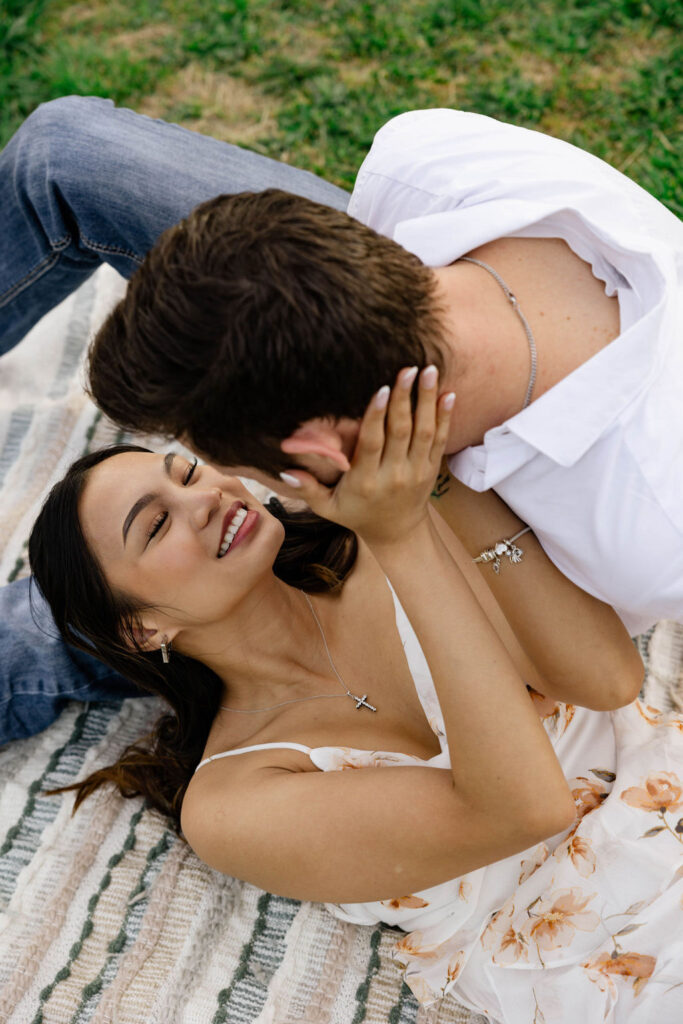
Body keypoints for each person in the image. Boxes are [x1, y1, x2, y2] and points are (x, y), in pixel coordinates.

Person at [1, 97, 681, 741]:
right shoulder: (420, 162)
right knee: (70, 152)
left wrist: (417, 506)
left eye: (197, 460)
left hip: (462, 508)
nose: (214, 488)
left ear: (324, 456)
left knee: (122, 586)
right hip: (390, 315)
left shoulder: (653, 531)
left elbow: (597, 676)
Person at [27, 369, 681, 1023]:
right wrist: (405, 537)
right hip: (627, 962)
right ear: (142, 629)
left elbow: (607, 679)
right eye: (155, 524)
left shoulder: (380, 528)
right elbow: (526, 808)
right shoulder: (230, 803)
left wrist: (438, 481)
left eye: (187, 473)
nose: (204, 498)